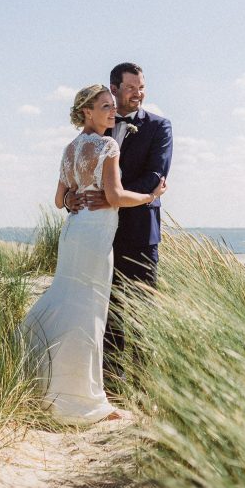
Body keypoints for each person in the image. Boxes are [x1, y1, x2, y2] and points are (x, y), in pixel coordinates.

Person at [21, 84, 167, 425]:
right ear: (86, 111)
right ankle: (84, 399)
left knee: (68, 299)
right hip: (96, 236)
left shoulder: (70, 148)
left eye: (112, 106)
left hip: (74, 232)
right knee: (89, 313)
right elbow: (114, 196)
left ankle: (55, 382)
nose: (112, 112)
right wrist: (150, 196)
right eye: (104, 106)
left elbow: (60, 200)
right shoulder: (107, 144)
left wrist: (74, 199)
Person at [66, 63, 173, 383]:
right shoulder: (98, 126)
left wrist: (114, 198)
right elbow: (79, 175)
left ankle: (140, 384)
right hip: (99, 233)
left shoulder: (159, 126)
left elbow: (156, 175)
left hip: (141, 233)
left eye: (141, 87)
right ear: (114, 88)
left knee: (141, 309)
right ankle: (110, 381)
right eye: (131, 88)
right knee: (104, 308)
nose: (138, 93)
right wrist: (73, 198)